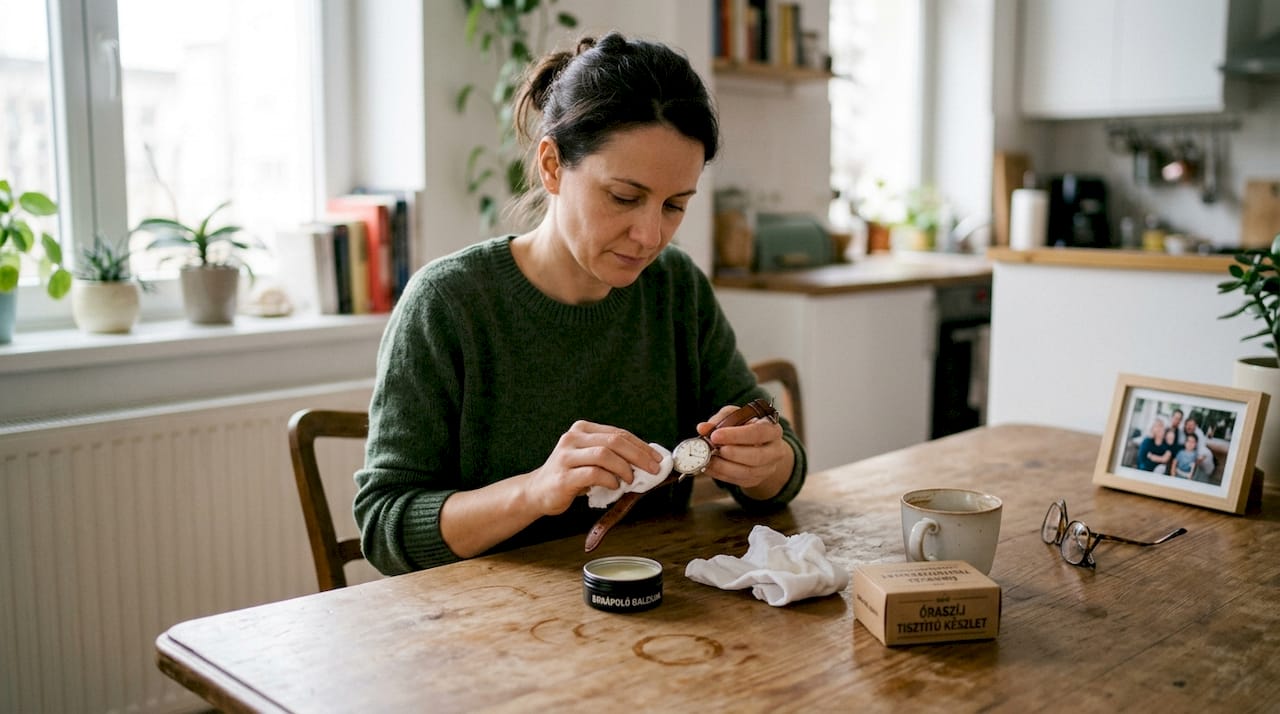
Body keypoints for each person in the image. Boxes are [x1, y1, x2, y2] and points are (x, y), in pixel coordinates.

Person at [353, 33, 806, 575]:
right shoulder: (447, 304)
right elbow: (385, 527)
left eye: (674, 206)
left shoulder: (675, 287)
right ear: (551, 165)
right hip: (488, 632)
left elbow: (783, 471)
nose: (649, 235)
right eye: (624, 197)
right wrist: (536, 490)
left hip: (659, 610)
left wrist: (767, 462)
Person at [1183, 418, 1216, 482]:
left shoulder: (1199, 433)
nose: (1189, 427)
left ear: (1196, 426)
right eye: (1188, 424)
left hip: (1205, 461)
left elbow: (1201, 453)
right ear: (1185, 425)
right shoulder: (1183, 431)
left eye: (1192, 425)